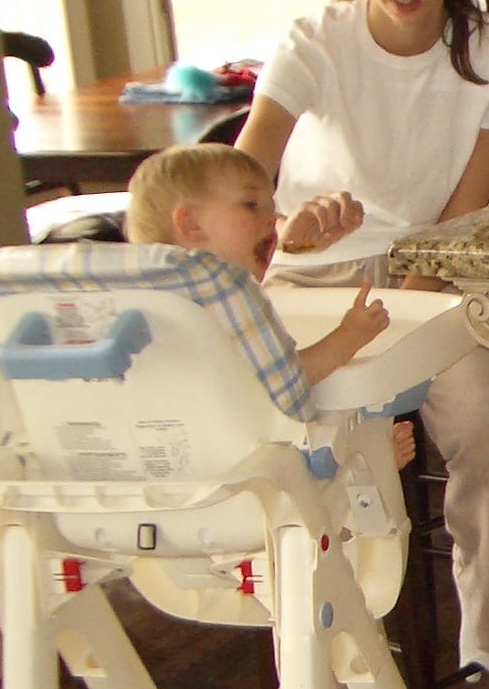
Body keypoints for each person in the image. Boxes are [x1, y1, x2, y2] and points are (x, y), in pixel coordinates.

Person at [234, 0, 489, 678]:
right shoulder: (315, 45)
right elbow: (242, 179)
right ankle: (325, 646)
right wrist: (283, 228)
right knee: (314, 451)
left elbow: (469, 207)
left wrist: (409, 302)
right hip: (314, 275)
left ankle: (486, 616)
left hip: (432, 273)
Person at [122, 144, 415, 467]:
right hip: (264, 474)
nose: (270, 221)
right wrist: (350, 335)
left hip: (175, 468)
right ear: (191, 223)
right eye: (251, 205)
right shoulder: (226, 295)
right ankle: (371, 458)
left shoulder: (139, 297)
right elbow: (287, 379)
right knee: (364, 430)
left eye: (271, 208)